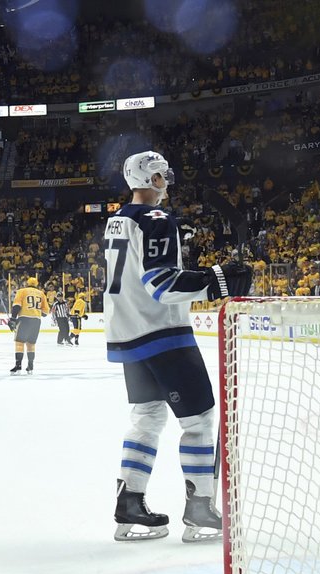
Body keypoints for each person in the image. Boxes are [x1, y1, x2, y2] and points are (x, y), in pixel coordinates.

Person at [104, 150, 252, 543]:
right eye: (161, 174)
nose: (166, 180)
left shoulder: (116, 221)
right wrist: (218, 280)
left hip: (129, 334)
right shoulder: (156, 219)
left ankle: (129, 505)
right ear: (150, 179)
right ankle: (200, 510)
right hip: (162, 334)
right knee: (200, 420)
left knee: (148, 416)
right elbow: (162, 285)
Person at [8, 277, 50, 375]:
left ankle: (18, 366)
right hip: (36, 320)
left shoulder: (22, 291)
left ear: (27, 283)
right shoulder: (41, 293)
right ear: (36, 284)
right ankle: (30, 366)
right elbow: (45, 312)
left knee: (19, 343)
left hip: (24, 319)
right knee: (31, 344)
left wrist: (13, 318)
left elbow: (17, 306)